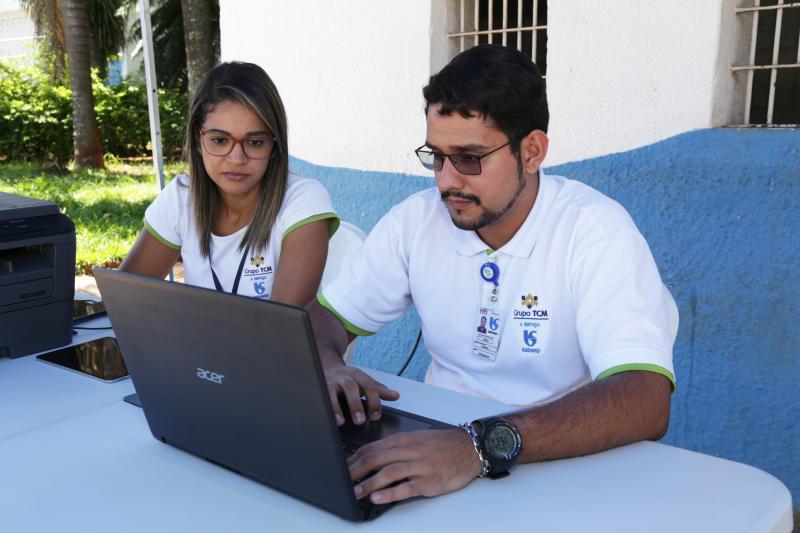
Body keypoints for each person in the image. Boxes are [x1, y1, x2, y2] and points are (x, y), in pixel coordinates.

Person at [306, 45, 675, 506]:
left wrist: (478, 446)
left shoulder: (595, 232)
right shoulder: (415, 221)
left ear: (533, 151)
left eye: (469, 158)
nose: (446, 181)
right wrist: (327, 362)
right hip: (434, 445)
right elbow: (325, 318)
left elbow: (645, 397)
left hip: (556, 462)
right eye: (437, 156)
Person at [121, 62, 338, 306]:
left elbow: (282, 332)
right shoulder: (182, 198)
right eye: (219, 140)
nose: (236, 158)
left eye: (255, 142)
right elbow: (125, 301)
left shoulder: (303, 200)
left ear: (274, 146)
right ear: (197, 139)